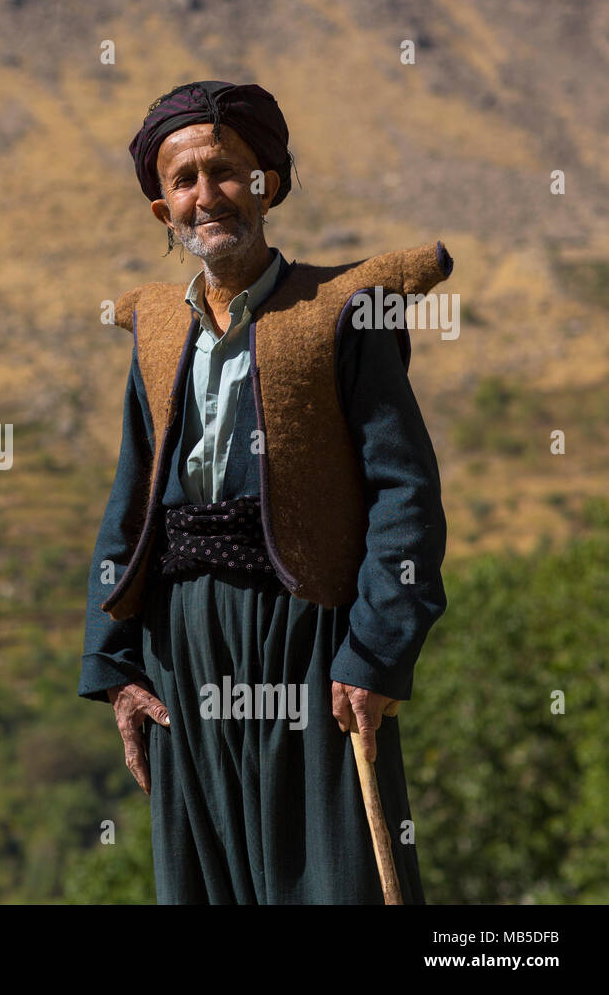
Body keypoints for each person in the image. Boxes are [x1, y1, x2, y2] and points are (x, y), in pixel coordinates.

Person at [78, 80, 451, 903]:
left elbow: (406, 497)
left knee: (336, 879)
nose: (206, 195)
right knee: (213, 883)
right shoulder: (157, 331)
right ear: (162, 211)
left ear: (267, 185)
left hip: (313, 643)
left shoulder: (340, 316)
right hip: (184, 648)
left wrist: (377, 652)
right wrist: (114, 663)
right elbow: (131, 502)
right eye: (183, 180)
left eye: (226, 171)